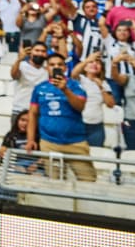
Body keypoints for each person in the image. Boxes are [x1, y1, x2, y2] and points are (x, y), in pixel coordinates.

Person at [26, 53, 95, 182]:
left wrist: (65, 90)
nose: (56, 67)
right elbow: (32, 114)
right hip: (49, 143)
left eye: (59, 65)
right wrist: (30, 139)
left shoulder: (75, 86)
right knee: (55, 183)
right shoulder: (39, 88)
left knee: (88, 181)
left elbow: (80, 107)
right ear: (47, 68)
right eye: (52, 65)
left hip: (76, 142)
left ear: (65, 68)